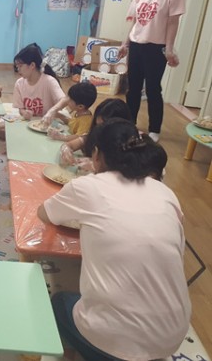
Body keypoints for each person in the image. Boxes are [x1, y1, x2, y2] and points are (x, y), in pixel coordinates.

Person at [38, 118, 190, 360]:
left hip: (114, 344)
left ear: (96, 154)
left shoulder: (88, 186)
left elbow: (44, 214)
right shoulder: (165, 192)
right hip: (172, 338)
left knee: (60, 300)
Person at [118, 0, 187, 143]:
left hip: (156, 48)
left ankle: (154, 129)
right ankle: (130, 124)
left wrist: (169, 49)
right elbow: (135, 21)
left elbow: (173, 22)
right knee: (133, 88)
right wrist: (125, 43)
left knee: (153, 89)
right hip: (136, 44)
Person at [59, 98, 132, 167]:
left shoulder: (128, 147)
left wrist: (94, 164)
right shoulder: (93, 135)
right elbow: (69, 145)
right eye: (98, 126)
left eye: (105, 128)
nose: (100, 132)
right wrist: (66, 150)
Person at [12, 43, 66, 121]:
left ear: (32, 65)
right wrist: (24, 113)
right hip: (30, 123)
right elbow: (21, 109)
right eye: (17, 67)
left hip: (48, 123)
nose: (18, 70)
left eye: (20, 66)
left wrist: (52, 111)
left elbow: (64, 100)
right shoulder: (19, 83)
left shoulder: (49, 81)